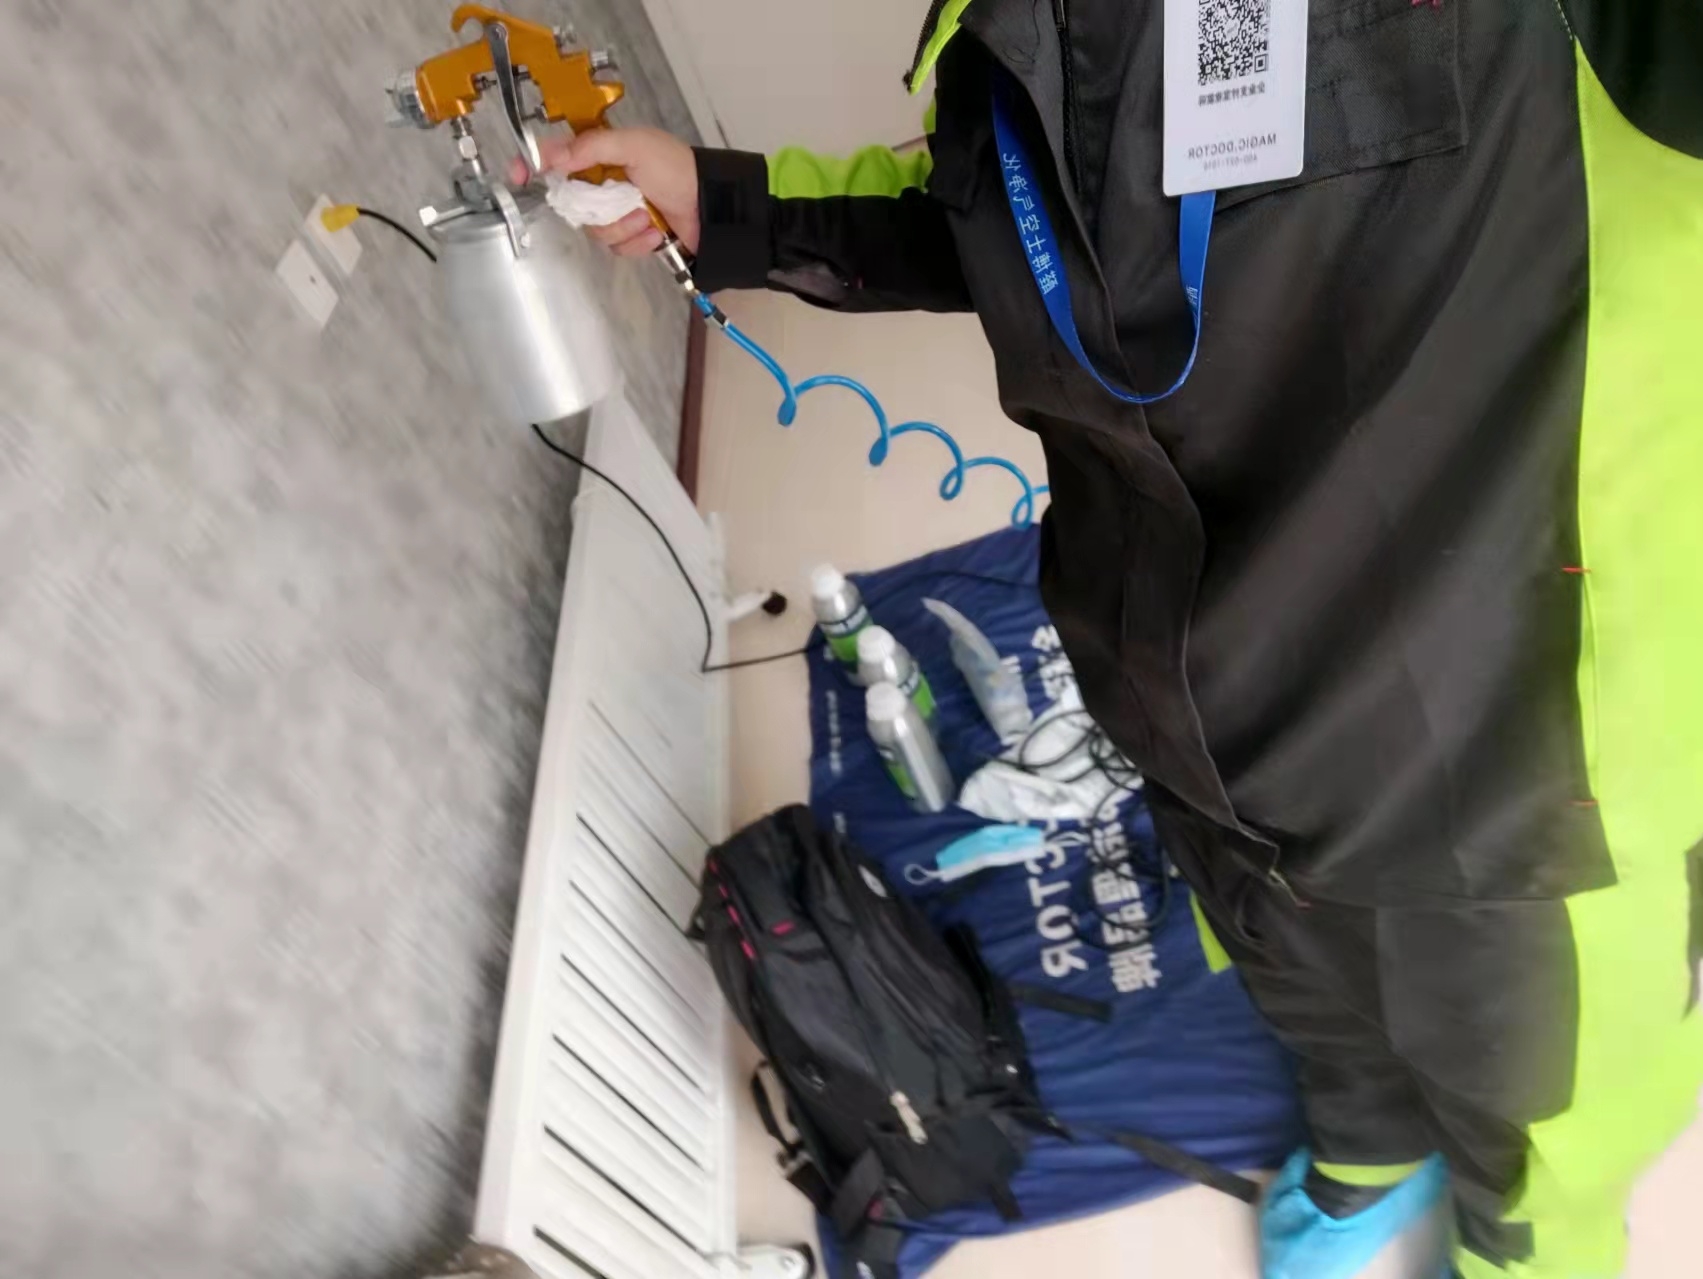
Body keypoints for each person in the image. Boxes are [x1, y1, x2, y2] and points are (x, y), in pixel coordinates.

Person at [535, 3, 1703, 1276]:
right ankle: (1366, 1147)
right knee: (1301, 980)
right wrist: (730, 205)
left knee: (1538, 1134)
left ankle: (1515, 1250)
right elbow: (999, 216)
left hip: (1510, 760)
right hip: (1189, 708)